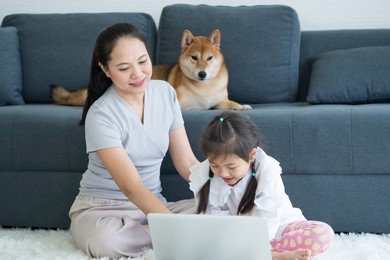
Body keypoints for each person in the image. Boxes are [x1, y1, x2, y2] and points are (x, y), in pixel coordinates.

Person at [68, 23, 198, 259]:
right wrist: (173, 226)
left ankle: (153, 232)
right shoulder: (102, 114)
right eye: (124, 68)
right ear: (105, 70)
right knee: (108, 241)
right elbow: (131, 187)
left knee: (222, 210)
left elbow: (187, 162)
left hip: (152, 206)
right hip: (102, 211)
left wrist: (223, 185)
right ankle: (171, 233)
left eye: (142, 61)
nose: (138, 74)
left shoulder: (166, 93)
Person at [189, 111, 334, 260]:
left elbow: (268, 219)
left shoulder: (267, 171)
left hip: (278, 229)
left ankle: (262, 254)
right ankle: (267, 255)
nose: (223, 173)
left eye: (231, 167)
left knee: (322, 234)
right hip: (237, 234)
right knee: (194, 235)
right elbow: (209, 217)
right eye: (215, 165)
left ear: (252, 155)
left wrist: (254, 245)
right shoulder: (204, 173)